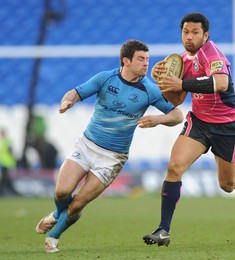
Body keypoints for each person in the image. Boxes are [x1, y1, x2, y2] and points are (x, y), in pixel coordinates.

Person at [35, 39, 184, 253]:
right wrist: (67, 102)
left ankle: (54, 237)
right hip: (87, 146)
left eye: (147, 59)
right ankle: (58, 213)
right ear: (126, 60)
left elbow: (177, 114)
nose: (146, 64)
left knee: (77, 204)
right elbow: (75, 92)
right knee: (61, 192)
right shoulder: (106, 78)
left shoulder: (149, 90)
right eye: (141, 59)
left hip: (113, 158)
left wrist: (157, 120)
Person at [143, 12, 235, 247]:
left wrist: (181, 83)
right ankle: (164, 230)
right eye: (186, 32)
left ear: (206, 35)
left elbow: (221, 83)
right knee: (174, 167)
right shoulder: (182, 60)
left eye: (195, 32)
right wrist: (163, 83)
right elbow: (176, 99)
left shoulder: (211, 53)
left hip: (226, 125)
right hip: (199, 123)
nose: (190, 37)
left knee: (227, 185)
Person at [0, 128, 20, 196]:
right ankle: (10, 191)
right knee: (6, 179)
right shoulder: (3, 141)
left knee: (6, 178)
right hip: (4, 163)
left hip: (8, 163)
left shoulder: (6, 142)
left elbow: (10, 152)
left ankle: (4, 191)